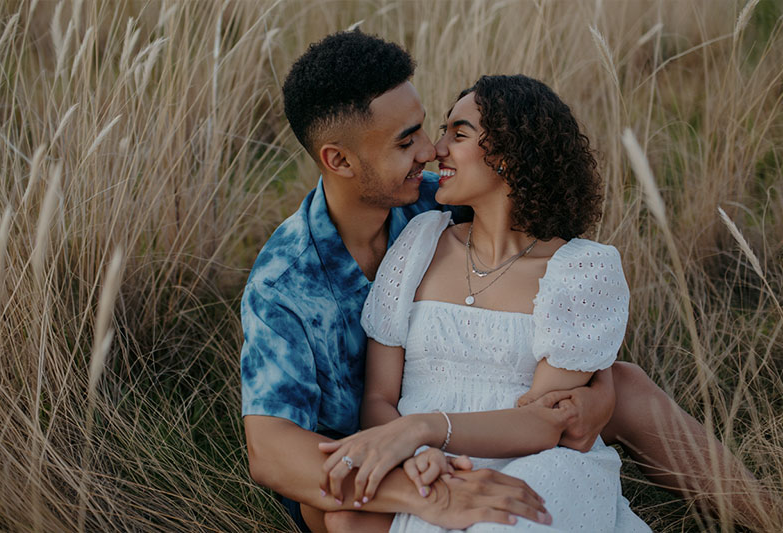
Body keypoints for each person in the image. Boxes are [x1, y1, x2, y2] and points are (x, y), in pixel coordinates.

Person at [241, 30, 766, 533]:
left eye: (433, 129)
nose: (430, 151)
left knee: (623, 382)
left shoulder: (434, 199)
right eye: (407, 141)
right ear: (339, 160)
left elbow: (555, 294)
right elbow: (270, 450)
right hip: (369, 467)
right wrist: (429, 483)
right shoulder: (287, 282)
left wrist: (594, 393)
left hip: (492, 420)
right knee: (338, 515)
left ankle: (767, 516)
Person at [317, 74, 651, 532]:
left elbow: (546, 425)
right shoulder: (418, 244)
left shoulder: (581, 271)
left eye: (459, 134)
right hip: (426, 468)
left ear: (513, 154)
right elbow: (378, 397)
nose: (437, 150)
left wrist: (426, 427)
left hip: (539, 466)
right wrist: (417, 454)